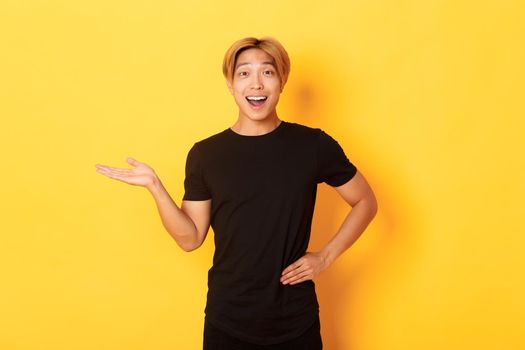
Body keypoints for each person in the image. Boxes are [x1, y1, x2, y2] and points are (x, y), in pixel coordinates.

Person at [95, 36, 378, 350]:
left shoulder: (313, 145)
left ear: (282, 81)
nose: (256, 83)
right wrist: (155, 188)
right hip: (228, 321)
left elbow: (365, 201)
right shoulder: (206, 155)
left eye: (267, 73)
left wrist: (325, 257)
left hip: (295, 321)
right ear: (230, 84)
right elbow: (190, 239)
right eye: (244, 73)